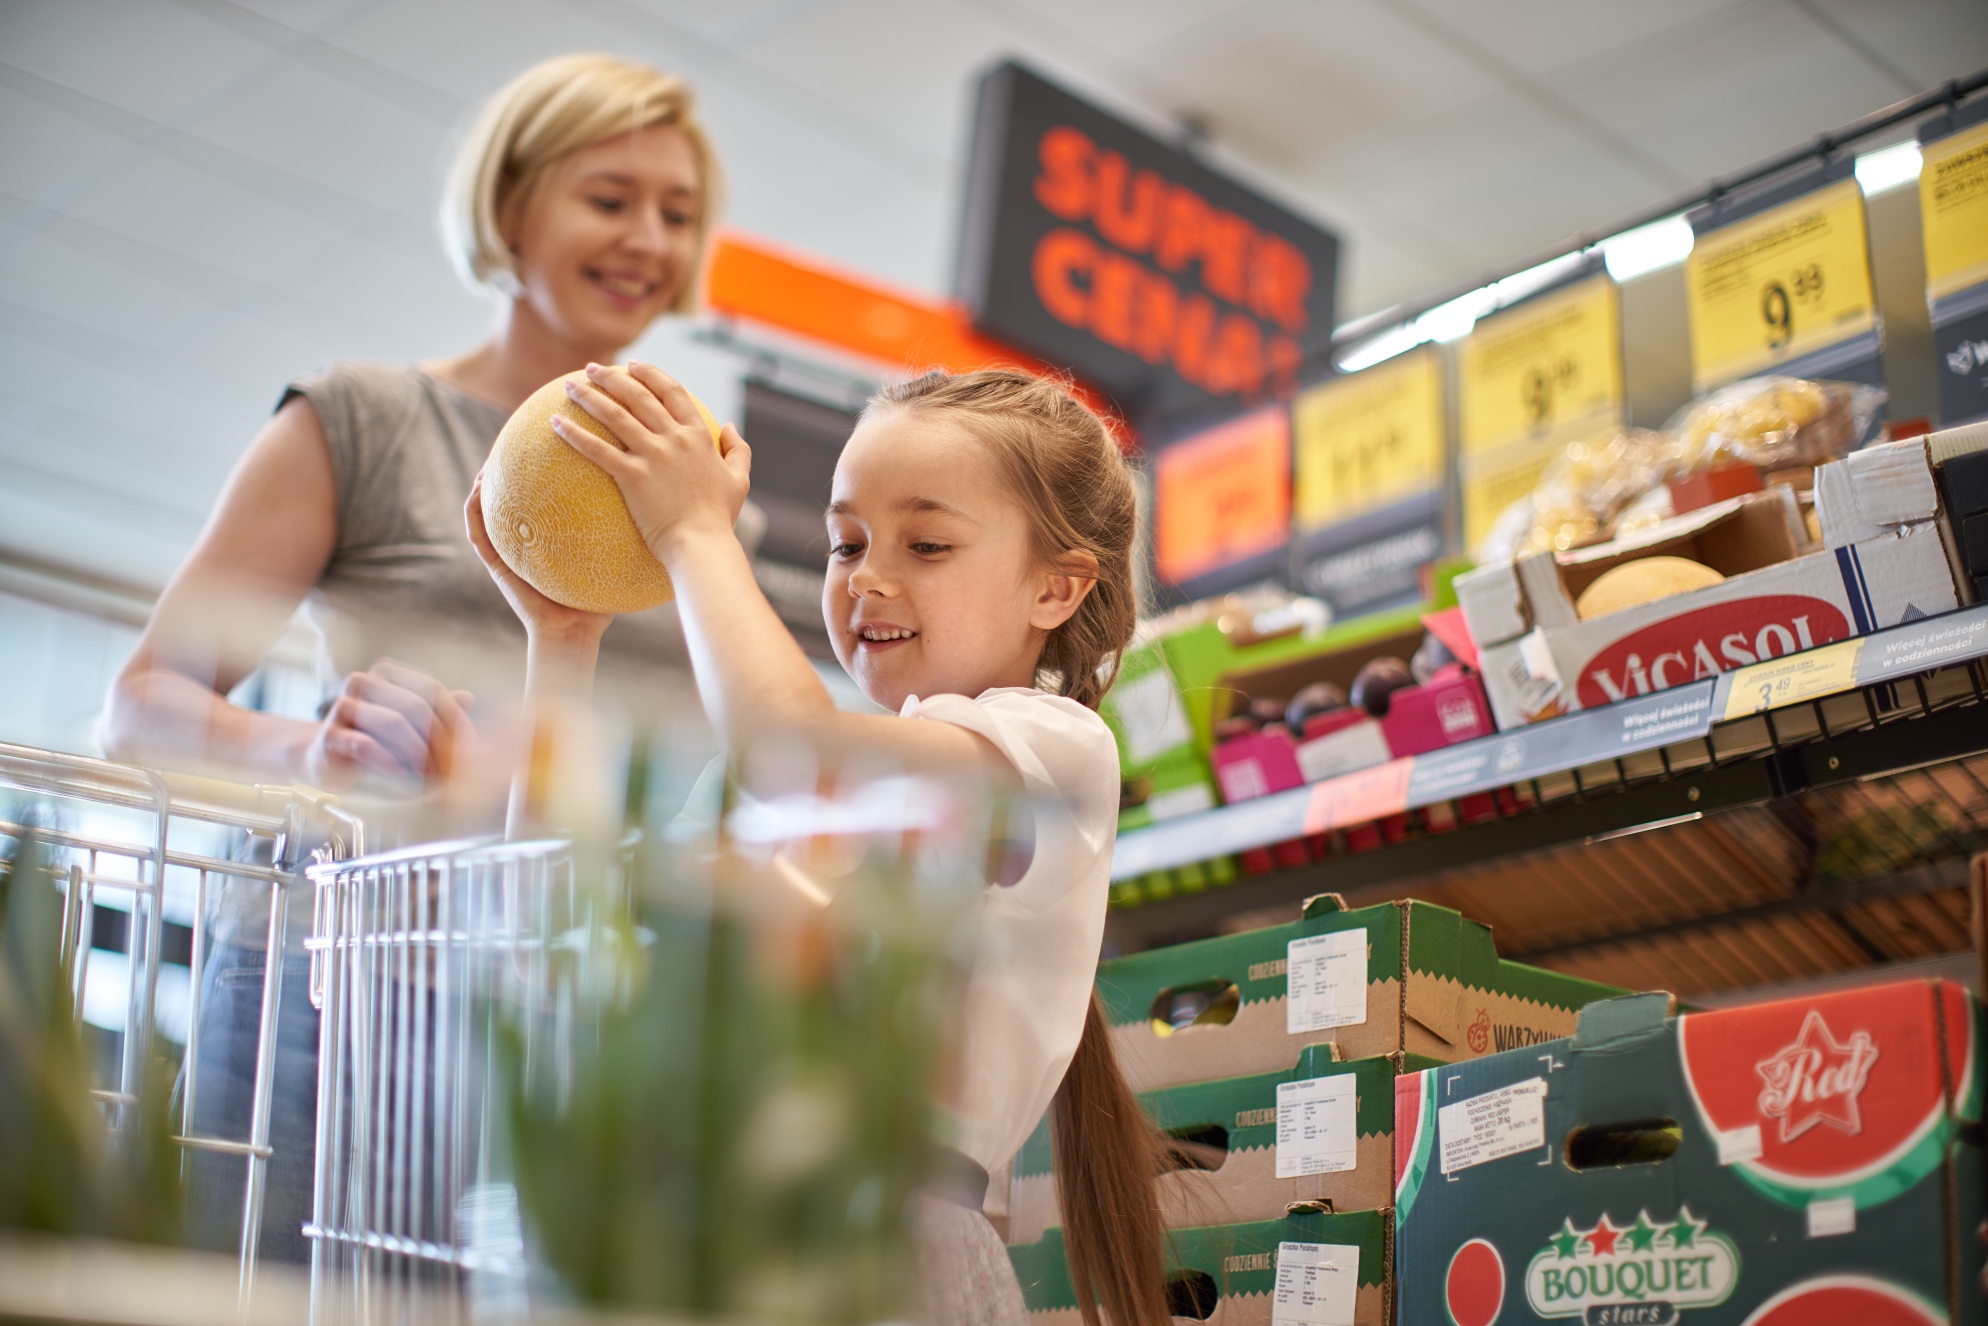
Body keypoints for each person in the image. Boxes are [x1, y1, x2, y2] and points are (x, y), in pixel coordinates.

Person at [100, 53, 724, 1264]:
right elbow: (144, 704)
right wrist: (326, 749)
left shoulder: (697, 501)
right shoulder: (366, 418)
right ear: (509, 209)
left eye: (678, 211)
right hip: (332, 977)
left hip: (554, 991)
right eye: (609, 198)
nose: (648, 238)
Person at [466, 364, 1168, 1326]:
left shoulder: (1050, 749)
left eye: (926, 543)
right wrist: (565, 642)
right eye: (846, 543)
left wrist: (694, 533)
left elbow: (794, 750)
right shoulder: (775, 782)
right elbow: (550, 935)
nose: (868, 576)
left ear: (1056, 587)